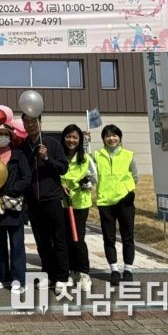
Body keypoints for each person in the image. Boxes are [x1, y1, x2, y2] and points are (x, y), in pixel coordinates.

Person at [20, 113, 71, 295]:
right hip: (33, 201)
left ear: (40, 122)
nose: (31, 124)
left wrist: (47, 158)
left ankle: (62, 277)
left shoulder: (52, 143)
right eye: (27, 122)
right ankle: (48, 274)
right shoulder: (23, 146)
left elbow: (63, 168)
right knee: (41, 241)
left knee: (58, 239)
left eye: (34, 121)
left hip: (52, 199)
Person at [94, 124, 138, 286]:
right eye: (107, 135)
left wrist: (127, 190)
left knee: (128, 236)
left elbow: (135, 176)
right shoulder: (97, 155)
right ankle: (114, 269)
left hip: (125, 201)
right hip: (105, 202)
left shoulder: (128, 155)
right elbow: (87, 168)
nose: (111, 138)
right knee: (109, 237)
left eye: (114, 135)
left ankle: (128, 269)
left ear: (119, 137)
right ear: (103, 138)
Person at [0, 124, 30, 294]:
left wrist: (11, 191)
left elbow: (26, 178)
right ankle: (2, 276)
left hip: (14, 205)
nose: (2, 137)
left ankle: (19, 279)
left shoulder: (19, 155)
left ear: (10, 137)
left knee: (16, 244)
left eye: (5, 134)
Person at [60, 124, 97, 292]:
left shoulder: (85, 158)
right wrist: (60, 185)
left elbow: (94, 177)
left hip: (80, 203)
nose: (71, 140)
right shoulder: (59, 156)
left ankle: (84, 273)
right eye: (68, 136)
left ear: (80, 139)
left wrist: (86, 183)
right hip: (62, 202)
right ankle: (70, 271)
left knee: (78, 239)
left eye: (75, 137)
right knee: (65, 238)